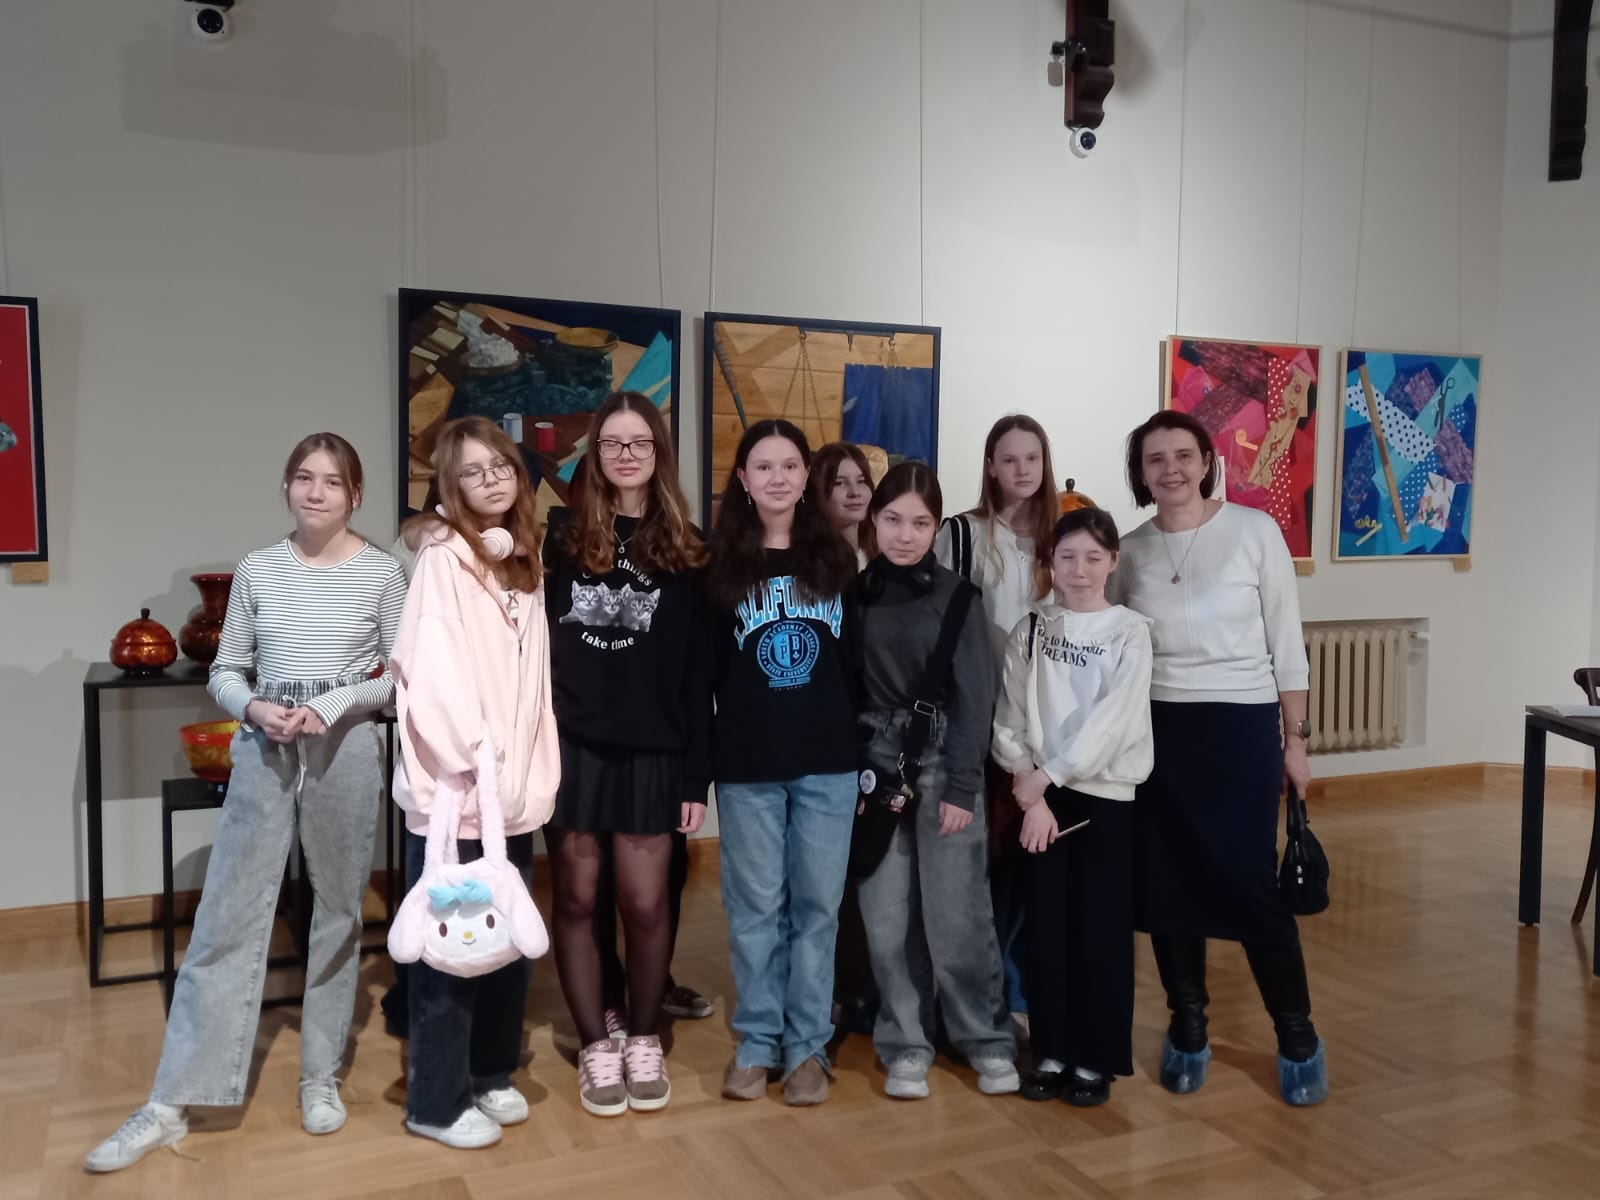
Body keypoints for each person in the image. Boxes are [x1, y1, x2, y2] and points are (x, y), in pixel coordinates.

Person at [86, 434, 406, 1173]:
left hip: (345, 751)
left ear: (355, 495)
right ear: (286, 487)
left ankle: (319, 1076)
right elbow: (226, 670)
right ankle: (173, 1098)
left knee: (337, 912)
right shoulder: (259, 569)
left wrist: (333, 704)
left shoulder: (383, 573)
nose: (316, 492)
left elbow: (396, 675)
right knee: (226, 913)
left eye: (333, 481)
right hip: (265, 748)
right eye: (304, 478)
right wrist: (257, 708)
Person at [1110, 409, 1327, 1107]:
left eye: (1183, 455)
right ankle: (1188, 1025)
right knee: (1167, 885)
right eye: (1155, 459)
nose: (1170, 469)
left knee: (1249, 883)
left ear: (1207, 461)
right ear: (1141, 474)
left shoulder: (1254, 532)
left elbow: (1287, 644)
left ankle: (1296, 1034)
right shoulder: (1129, 550)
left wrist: (1295, 741)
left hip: (1239, 730)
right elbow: (1108, 641)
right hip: (1157, 733)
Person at [391, 416, 560, 1147]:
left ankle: (490, 1072)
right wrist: (476, 753)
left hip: (511, 794)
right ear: (449, 486)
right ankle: (435, 1102)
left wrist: (524, 768)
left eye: (501, 466)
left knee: (502, 941)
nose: (491, 479)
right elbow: (429, 672)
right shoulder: (443, 559)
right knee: (450, 952)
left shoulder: (521, 558)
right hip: (458, 792)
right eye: (473, 470)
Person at [542, 392, 711, 1116]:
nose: (625, 455)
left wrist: (696, 776)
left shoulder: (687, 547)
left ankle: (643, 1036)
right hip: (572, 747)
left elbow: (698, 675)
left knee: (645, 901)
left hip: (653, 751)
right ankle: (595, 1044)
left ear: (658, 452)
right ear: (595, 454)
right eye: (611, 443)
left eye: (639, 442)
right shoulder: (559, 538)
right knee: (578, 899)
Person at [853, 462, 1017, 1099]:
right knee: (886, 917)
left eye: (920, 523)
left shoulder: (959, 599)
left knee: (957, 914)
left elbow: (977, 698)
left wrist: (961, 787)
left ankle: (986, 1037)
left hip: (945, 757)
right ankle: (905, 1042)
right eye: (893, 520)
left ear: (936, 529)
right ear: (874, 521)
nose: (905, 535)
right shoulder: (856, 595)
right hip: (876, 761)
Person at [708, 419, 859, 1106]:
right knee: (754, 908)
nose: (777, 477)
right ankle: (758, 1038)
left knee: (818, 908)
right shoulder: (719, 564)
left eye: (790, 465)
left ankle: (807, 1046)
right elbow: (707, 673)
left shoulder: (838, 561)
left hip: (828, 762)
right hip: (748, 765)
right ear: (743, 479)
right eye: (763, 466)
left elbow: (854, 669)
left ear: (807, 478)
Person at [993, 507, 1152, 1107]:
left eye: (1092, 557)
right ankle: (1052, 1048)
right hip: (1039, 795)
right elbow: (1010, 717)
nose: (1079, 570)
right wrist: (1027, 785)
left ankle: (1095, 1056)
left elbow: (1115, 721)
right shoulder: (1032, 629)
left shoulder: (1129, 632)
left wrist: (1049, 777)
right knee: (1047, 927)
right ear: (1050, 562)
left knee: (1099, 929)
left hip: (1103, 794)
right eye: (1067, 557)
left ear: (1112, 562)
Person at [934, 414, 1060, 1030]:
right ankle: (985, 998)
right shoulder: (961, 534)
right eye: (1008, 459)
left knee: (1038, 866)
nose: (1021, 470)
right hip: (984, 722)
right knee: (988, 867)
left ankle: (1030, 993)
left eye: (1031, 458)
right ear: (989, 465)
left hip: (1051, 730)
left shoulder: (1064, 536)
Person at [809, 441, 874, 566]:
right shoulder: (810, 562)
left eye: (861, 481)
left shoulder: (882, 552)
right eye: (840, 483)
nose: (855, 492)